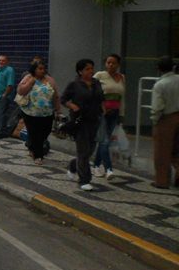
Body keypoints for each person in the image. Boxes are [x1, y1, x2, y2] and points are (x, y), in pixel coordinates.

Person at [61, 58, 105, 191]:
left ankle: (74, 165)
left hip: (95, 119)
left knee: (90, 149)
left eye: (92, 68)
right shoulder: (74, 84)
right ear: (80, 71)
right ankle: (84, 179)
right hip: (80, 121)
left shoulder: (96, 83)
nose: (91, 71)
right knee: (83, 150)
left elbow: (101, 98)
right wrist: (72, 105)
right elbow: (63, 99)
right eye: (87, 69)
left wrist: (103, 110)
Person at [16, 60, 60, 165]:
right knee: (35, 134)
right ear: (34, 69)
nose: (42, 70)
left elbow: (56, 96)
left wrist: (58, 110)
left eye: (43, 68)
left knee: (45, 132)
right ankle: (38, 156)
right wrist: (30, 84)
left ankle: (31, 146)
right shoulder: (28, 78)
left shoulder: (50, 80)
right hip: (30, 113)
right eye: (39, 69)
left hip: (47, 113)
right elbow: (20, 91)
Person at [92, 53, 125, 179]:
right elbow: (91, 91)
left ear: (118, 64)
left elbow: (123, 98)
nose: (110, 65)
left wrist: (122, 114)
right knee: (104, 140)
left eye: (114, 63)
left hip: (115, 113)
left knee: (105, 141)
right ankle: (109, 169)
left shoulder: (121, 77)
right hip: (102, 112)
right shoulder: (100, 76)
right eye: (108, 62)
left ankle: (95, 165)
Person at [150, 56, 179, 189]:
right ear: (173, 67)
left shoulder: (160, 84)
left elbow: (157, 107)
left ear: (158, 68)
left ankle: (162, 181)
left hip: (166, 119)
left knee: (162, 152)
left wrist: (155, 121)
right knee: (177, 150)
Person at [0, 55, 17, 139]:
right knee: (0, 114)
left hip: (4, 96)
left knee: (0, 114)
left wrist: (4, 95)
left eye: (3, 60)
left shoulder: (9, 70)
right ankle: (2, 131)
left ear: (7, 62)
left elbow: (10, 85)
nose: (1, 62)